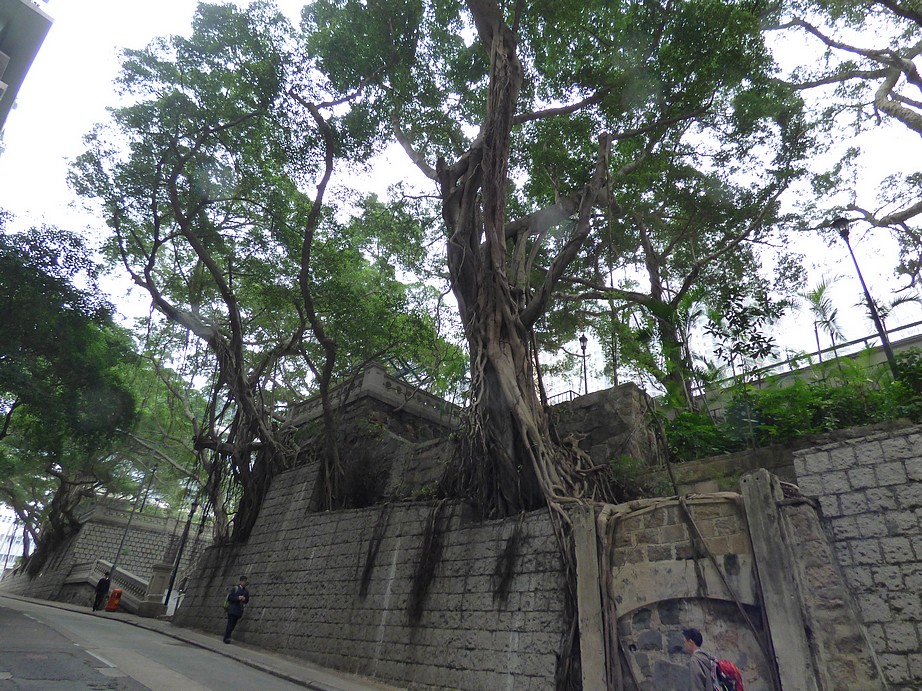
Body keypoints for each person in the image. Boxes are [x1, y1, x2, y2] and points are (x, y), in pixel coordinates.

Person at [223, 575, 250, 644]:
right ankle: (226, 638)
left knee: (233, 625)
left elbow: (247, 601)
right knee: (230, 624)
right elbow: (230, 598)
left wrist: (244, 599)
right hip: (232, 609)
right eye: (243, 581)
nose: (244, 583)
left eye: (245, 582)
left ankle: (228, 636)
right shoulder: (235, 588)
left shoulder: (246, 591)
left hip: (238, 611)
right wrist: (238, 598)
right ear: (241, 581)